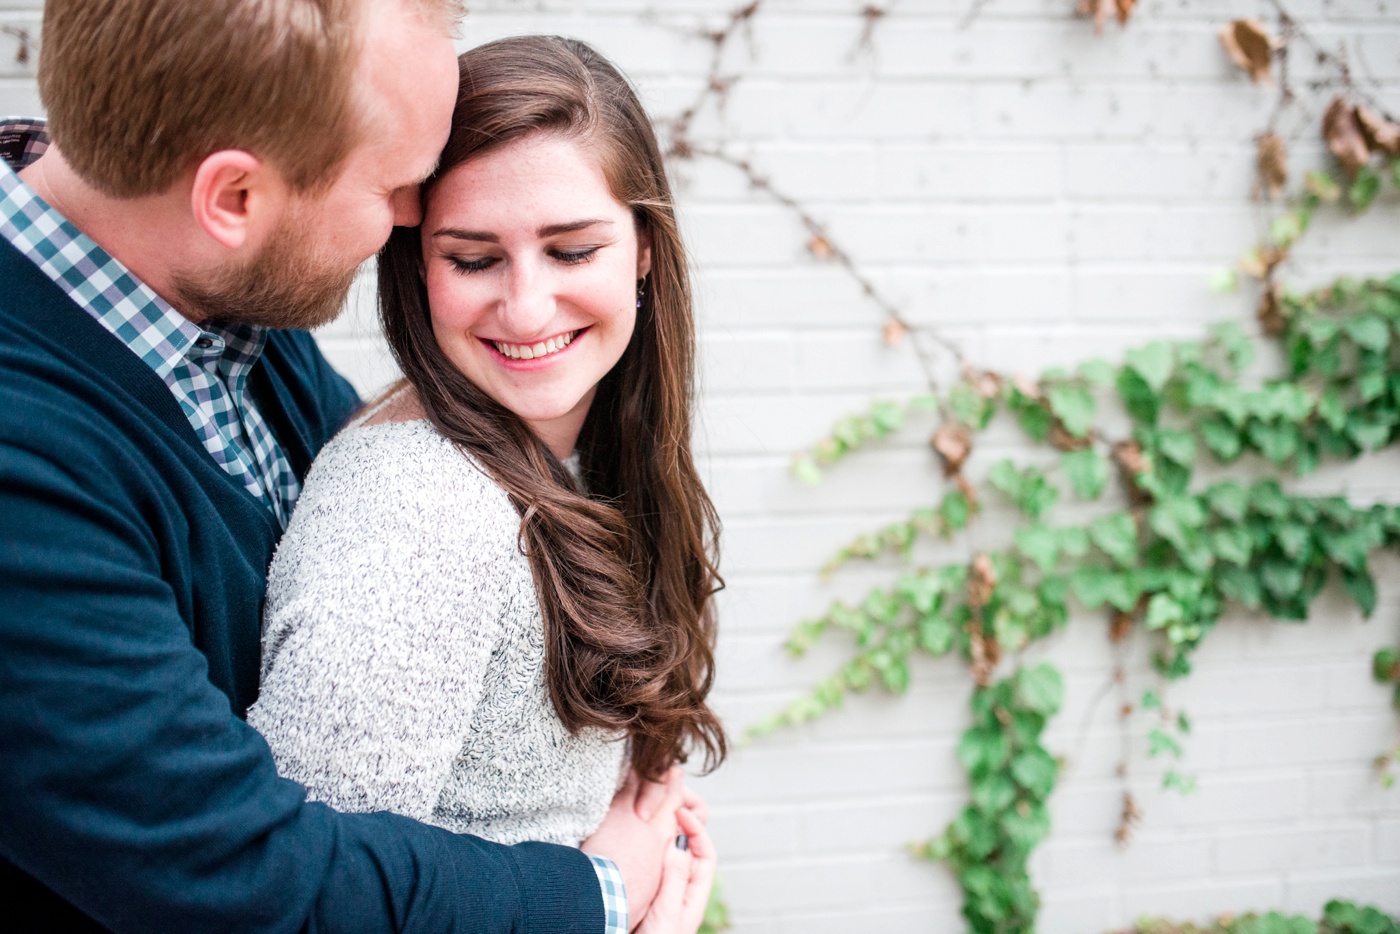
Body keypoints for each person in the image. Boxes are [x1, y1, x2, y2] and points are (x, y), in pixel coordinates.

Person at [0, 1, 681, 930]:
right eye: (397, 185)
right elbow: (237, 874)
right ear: (234, 199)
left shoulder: (216, 302)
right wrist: (603, 893)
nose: (412, 218)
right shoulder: (26, 463)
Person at [247, 35, 727, 934]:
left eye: (573, 250)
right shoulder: (416, 507)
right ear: (416, 269)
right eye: (473, 260)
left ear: (644, 252)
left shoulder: (575, 447)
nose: (528, 308)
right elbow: (307, 903)